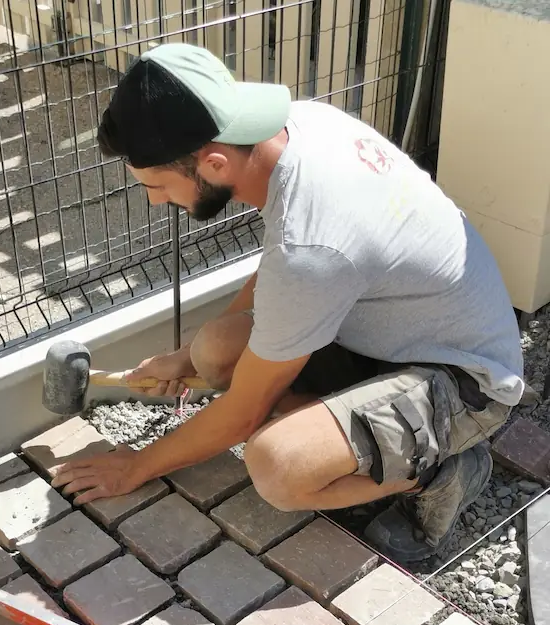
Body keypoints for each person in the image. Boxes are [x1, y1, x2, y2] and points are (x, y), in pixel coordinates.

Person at [49, 42, 525, 563]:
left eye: (157, 184)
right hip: (387, 333)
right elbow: (285, 269)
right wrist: (185, 360)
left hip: (465, 382)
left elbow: (243, 405)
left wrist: (134, 468)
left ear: (211, 162)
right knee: (215, 349)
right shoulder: (300, 127)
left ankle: (442, 473)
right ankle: (363, 440)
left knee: (278, 466)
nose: (155, 200)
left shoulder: (313, 239)